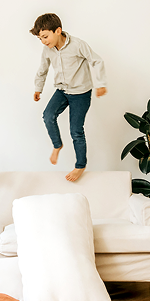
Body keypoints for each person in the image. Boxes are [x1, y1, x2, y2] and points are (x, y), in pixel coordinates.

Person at [31, 13, 107, 182]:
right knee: (48, 116)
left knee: (76, 131)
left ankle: (80, 165)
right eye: (40, 38)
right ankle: (57, 145)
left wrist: (101, 83)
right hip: (62, 91)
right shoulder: (48, 49)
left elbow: (97, 61)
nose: (43, 41)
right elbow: (43, 69)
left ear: (58, 31)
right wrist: (38, 88)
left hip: (80, 93)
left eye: (45, 36)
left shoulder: (78, 45)